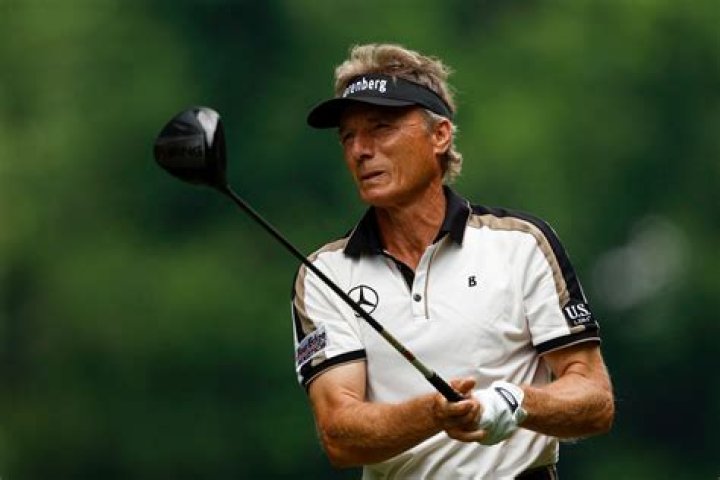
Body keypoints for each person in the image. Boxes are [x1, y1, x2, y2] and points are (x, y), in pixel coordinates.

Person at [291, 43, 614, 479]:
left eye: (381, 128)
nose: (360, 150)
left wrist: (514, 403)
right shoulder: (324, 274)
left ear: (439, 135)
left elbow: (594, 398)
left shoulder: (520, 245)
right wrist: (434, 414)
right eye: (348, 137)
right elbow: (340, 436)